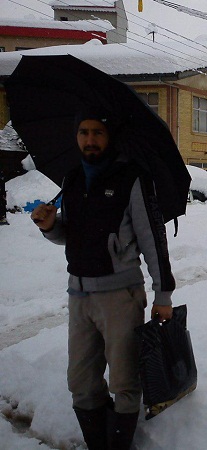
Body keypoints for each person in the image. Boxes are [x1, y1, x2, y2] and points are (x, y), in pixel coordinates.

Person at [31, 107, 175, 450]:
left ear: (109, 137)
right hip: (78, 296)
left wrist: (163, 293)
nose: (90, 139)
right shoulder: (73, 178)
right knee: (80, 382)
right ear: (76, 136)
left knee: (124, 383)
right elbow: (76, 234)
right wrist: (50, 226)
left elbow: (152, 238)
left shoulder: (131, 177)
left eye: (97, 132)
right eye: (84, 132)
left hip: (120, 296)